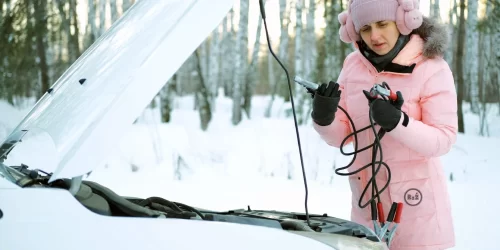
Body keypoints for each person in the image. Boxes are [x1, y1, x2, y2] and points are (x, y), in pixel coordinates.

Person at [310, 0, 457, 249]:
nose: (374, 36)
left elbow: (443, 139)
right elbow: (344, 137)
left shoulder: (431, 66)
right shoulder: (352, 66)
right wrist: (324, 119)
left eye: (382, 24)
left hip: (418, 215)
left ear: (402, 21)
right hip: (366, 211)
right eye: (365, 28)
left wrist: (398, 122)